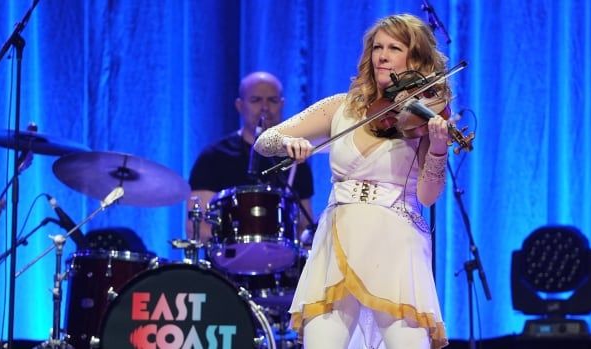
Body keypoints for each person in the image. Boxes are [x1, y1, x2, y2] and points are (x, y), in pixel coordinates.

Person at [254, 14, 451, 349]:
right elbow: (265, 140)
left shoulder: (424, 114)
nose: (382, 56)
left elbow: (428, 196)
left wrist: (438, 150)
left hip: (396, 243)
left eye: (394, 48)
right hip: (338, 238)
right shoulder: (340, 108)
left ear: (414, 58)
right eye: (377, 47)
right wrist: (289, 145)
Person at [187, 71, 315, 244]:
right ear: (240, 105)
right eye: (256, 100)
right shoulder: (213, 157)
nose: (265, 108)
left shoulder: (295, 158)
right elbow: (195, 228)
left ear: (282, 104)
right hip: (228, 264)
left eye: (272, 100)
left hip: (282, 265)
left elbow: (303, 227)